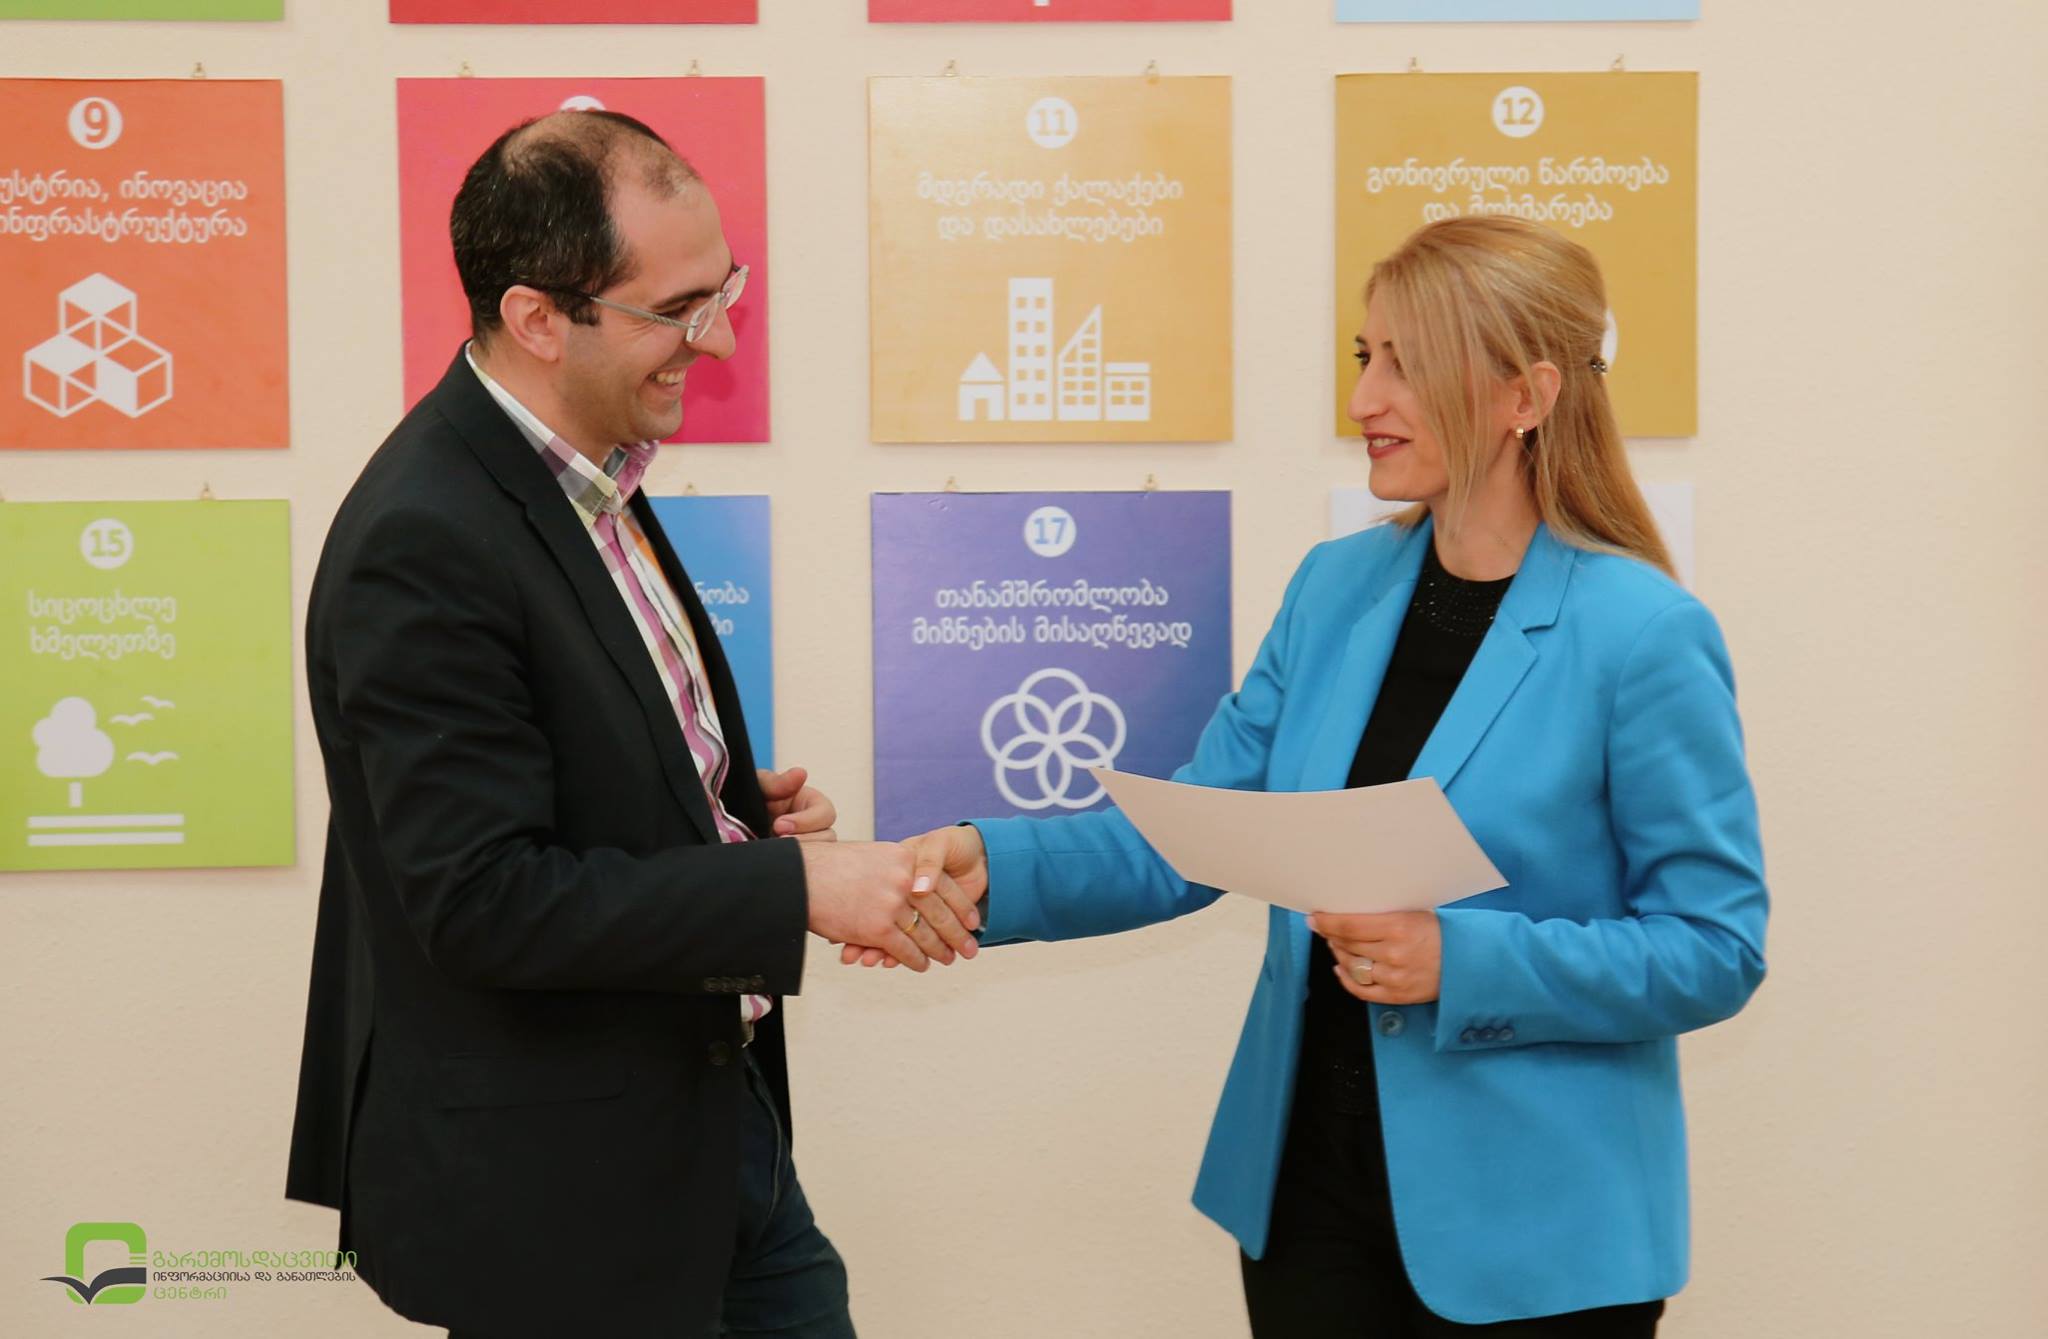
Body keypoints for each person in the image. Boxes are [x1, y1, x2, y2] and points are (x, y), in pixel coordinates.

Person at [884, 217, 1769, 1335]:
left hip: (1536, 1235)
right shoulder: (1335, 587)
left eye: (1408, 362)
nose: (1363, 399)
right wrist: (989, 862)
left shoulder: (1642, 633)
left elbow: (1713, 948)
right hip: (1309, 1198)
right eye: (1366, 356)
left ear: (1526, 395)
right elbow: (1202, 828)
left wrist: (1460, 960)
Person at [285, 110, 979, 1339]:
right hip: (563, 1203)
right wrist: (789, 888)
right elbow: (483, 900)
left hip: (705, 1134)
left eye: (723, 292)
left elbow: (561, 772)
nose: (717, 340)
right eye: (675, 309)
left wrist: (719, 813)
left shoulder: (585, 473)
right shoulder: (425, 536)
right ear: (538, 317)